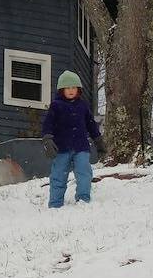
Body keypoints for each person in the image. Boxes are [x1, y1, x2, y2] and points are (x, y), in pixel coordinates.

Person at [41, 70, 105, 208]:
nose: (71, 91)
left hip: (81, 147)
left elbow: (90, 124)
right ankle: (55, 203)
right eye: (67, 88)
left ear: (78, 89)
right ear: (61, 90)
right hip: (61, 148)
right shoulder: (56, 106)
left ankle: (83, 199)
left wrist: (98, 140)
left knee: (84, 172)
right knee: (58, 175)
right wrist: (47, 139)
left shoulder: (83, 106)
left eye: (73, 88)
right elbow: (48, 124)